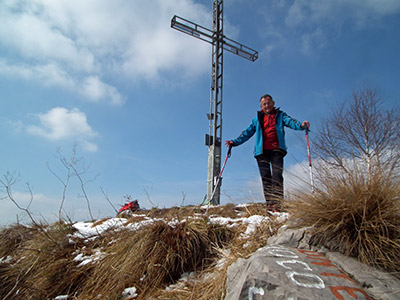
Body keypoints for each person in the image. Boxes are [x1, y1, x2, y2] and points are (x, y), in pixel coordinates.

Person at [225, 94, 310, 212]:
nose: (267, 105)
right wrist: (234, 142)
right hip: (261, 152)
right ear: (261, 106)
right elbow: (247, 132)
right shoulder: (257, 119)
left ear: (273, 103)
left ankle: (278, 203)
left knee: (277, 175)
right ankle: (269, 204)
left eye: (269, 103)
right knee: (265, 177)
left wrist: (301, 125)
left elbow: (291, 122)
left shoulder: (280, 115)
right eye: (264, 104)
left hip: (277, 150)